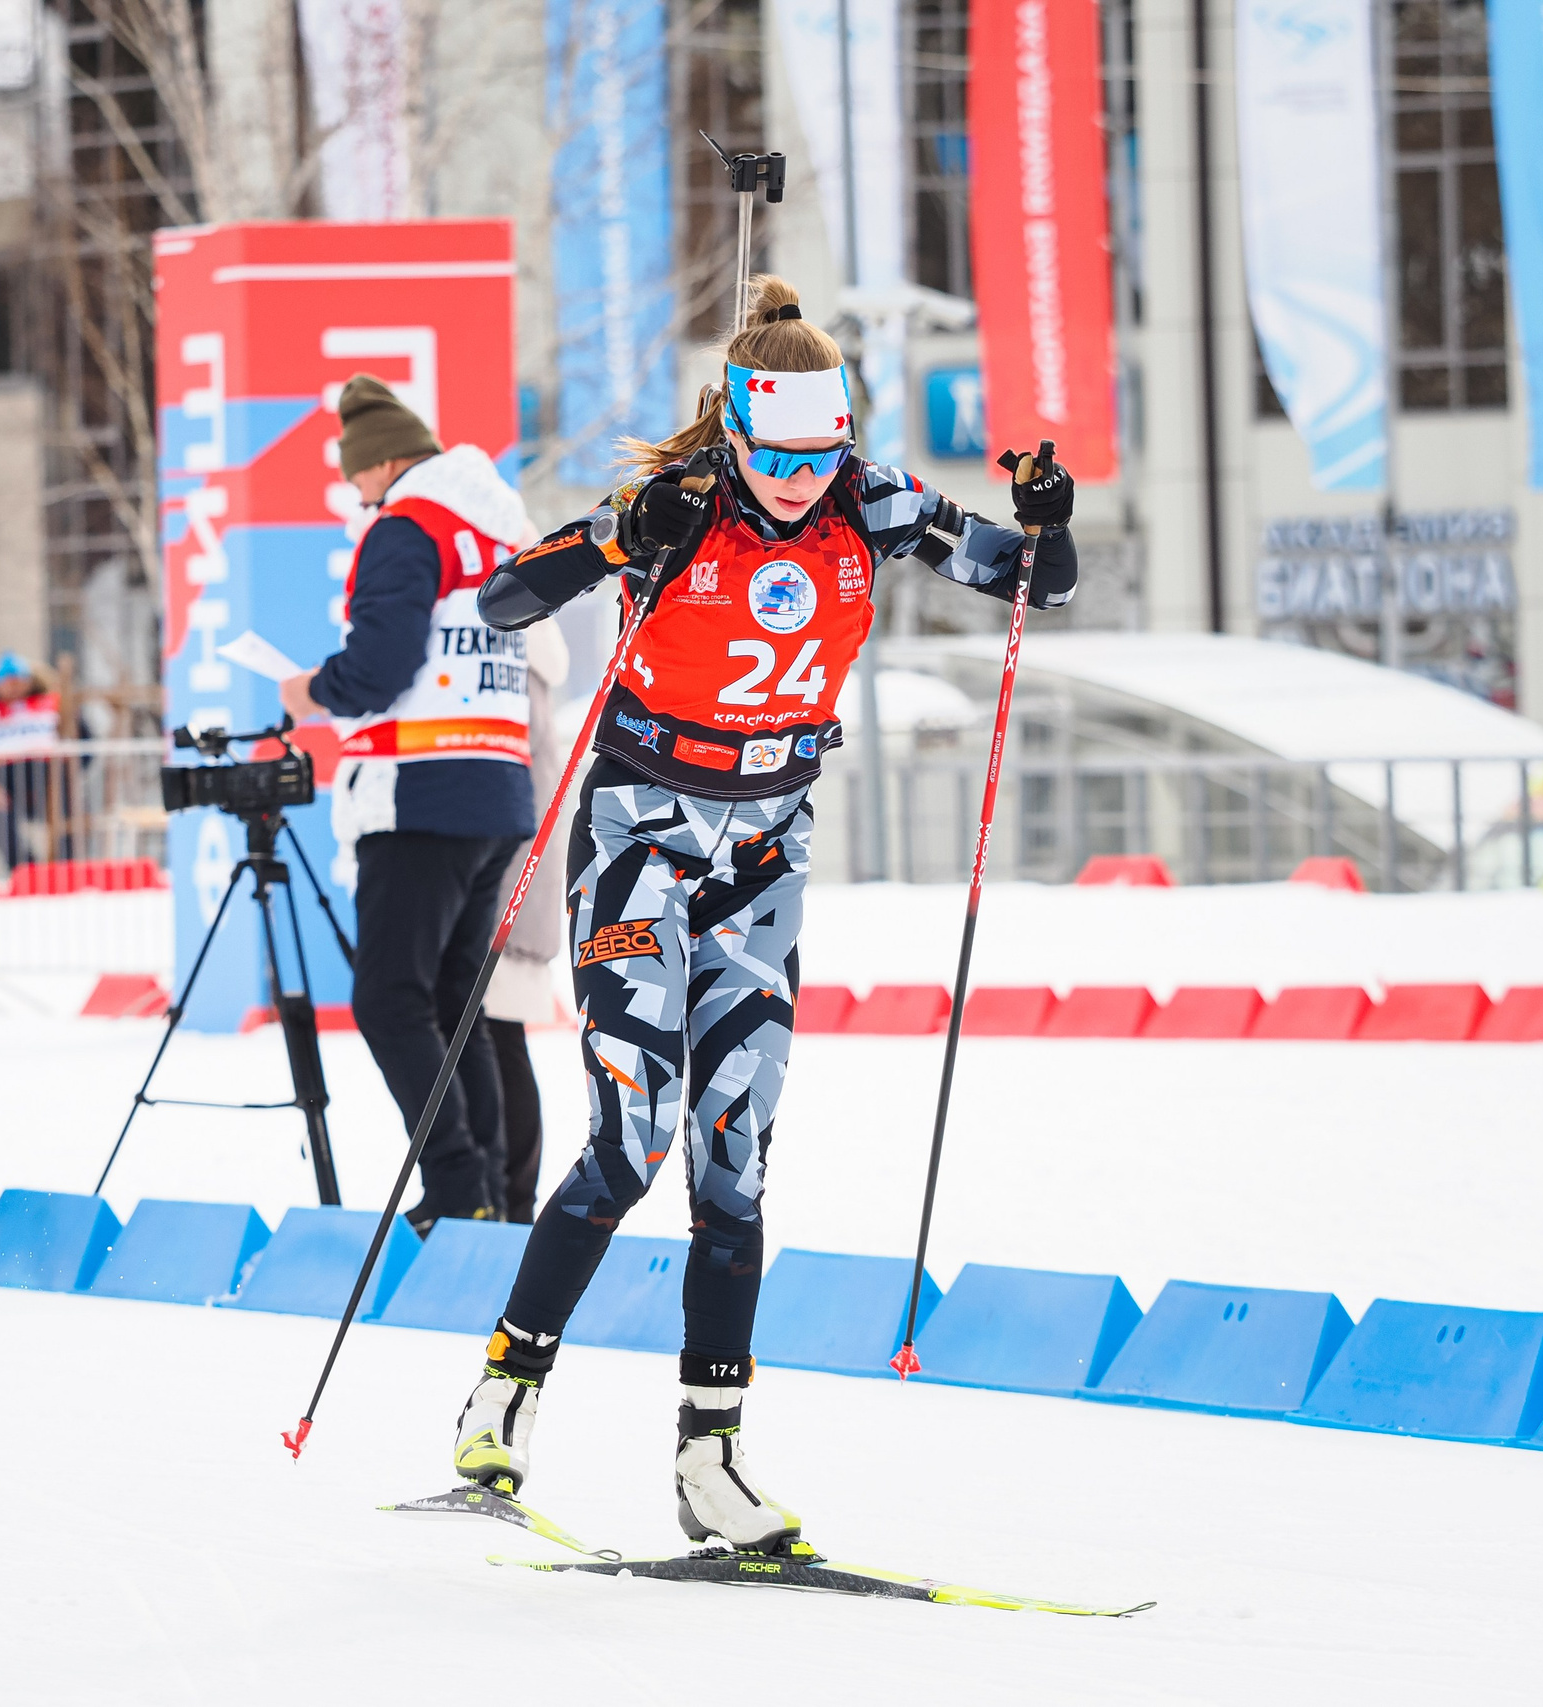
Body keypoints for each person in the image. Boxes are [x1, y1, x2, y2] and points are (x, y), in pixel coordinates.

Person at [445, 276, 1077, 1552]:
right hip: (641, 839)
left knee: (732, 1158)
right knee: (631, 1139)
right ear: (734, 431)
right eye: (776, 458)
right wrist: (621, 541)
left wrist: (1047, 523)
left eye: (819, 455)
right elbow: (504, 600)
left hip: (763, 858)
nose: (798, 482)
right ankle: (504, 1392)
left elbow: (1031, 586)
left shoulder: (872, 500)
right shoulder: (678, 504)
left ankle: (710, 1458)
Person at [277, 374, 537, 1230]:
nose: (356, 493)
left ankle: (460, 1185)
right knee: (457, 1002)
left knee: (390, 998)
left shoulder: (405, 528)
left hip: (420, 791)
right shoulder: (491, 529)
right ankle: (487, 1191)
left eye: (355, 474)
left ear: (384, 461)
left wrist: (311, 690)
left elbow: (381, 667)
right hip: (496, 787)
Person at [480, 618, 571, 1224]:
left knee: (498, 1041)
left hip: (507, 878)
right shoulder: (527, 666)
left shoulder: (514, 671)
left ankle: (508, 1202)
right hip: (511, 873)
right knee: (497, 1041)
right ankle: (504, 1199)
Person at [0, 652, 60, 875]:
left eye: (18, 681)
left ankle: (63, 872)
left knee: (70, 816)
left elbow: (82, 741)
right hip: (6, 790)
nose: (13, 688)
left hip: (48, 785)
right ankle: (28, 872)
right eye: (7, 682)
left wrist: (67, 776)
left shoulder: (51, 705)